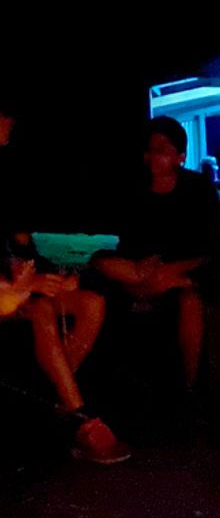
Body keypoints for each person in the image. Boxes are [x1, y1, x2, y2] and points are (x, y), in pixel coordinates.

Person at [0, 98, 128, 462]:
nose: (9, 125)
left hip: (16, 287)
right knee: (41, 310)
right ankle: (76, 414)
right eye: (5, 119)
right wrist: (26, 286)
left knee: (91, 302)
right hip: (8, 295)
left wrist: (51, 275)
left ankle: (56, 395)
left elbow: (21, 247)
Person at [92, 116, 220, 392]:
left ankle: (190, 386)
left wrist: (168, 269)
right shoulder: (136, 190)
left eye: (161, 150)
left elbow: (208, 246)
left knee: (188, 299)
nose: (152, 156)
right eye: (150, 150)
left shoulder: (198, 189)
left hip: (182, 269)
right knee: (101, 263)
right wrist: (140, 267)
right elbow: (127, 239)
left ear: (180, 156)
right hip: (139, 270)